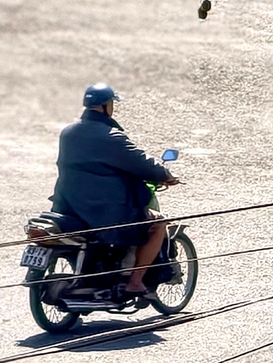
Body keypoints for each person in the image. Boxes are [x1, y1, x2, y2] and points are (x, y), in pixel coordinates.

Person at [50, 83, 179, 297]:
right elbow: (140, 163)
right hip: (107, 213)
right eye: (111, 103)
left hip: (70, 206)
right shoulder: (110, 137)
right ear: (105, 106)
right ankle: (135, 282)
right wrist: (166, 175)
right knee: (158, 223)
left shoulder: (68, 133)